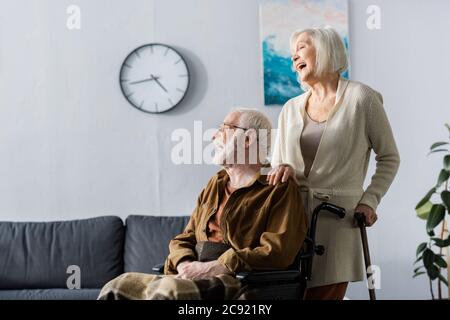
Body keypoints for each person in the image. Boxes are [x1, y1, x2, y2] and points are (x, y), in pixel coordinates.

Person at [98, 108, 307, 300]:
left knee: (168, 292)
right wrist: (186, 264)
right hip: (191, 272)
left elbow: (278, 251)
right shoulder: (215, 183)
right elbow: (185, 237)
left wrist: (218, 266)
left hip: (237, 279)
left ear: (248, 138)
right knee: (118, 285)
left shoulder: (278, 187)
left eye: (224, 128)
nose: (214, 136)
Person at [267, 27, 400, 300]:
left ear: (326, 49)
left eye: (301, 47)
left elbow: (389, 157)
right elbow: (277, 163)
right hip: (290, 222)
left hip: (338, 222)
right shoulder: (290, 108)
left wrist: (369, 200)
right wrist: (283, 168)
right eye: (292, 54)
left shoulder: (362, 98)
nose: (294, 57)